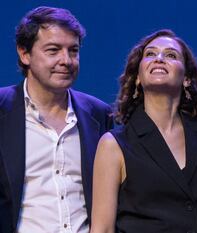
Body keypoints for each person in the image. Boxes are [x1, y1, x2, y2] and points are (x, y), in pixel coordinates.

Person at [90, 29, 197, 233]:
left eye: (170, 55)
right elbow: (103, 229)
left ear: (187, 78)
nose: (159, 59)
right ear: (137, 78)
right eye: (150, 54)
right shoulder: (114, 145)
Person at [0, 6, 113, 233]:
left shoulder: (99, 114)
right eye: (53, 50)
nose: (66, 60)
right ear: (24, 54)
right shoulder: (2, 109)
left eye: (73, 50)